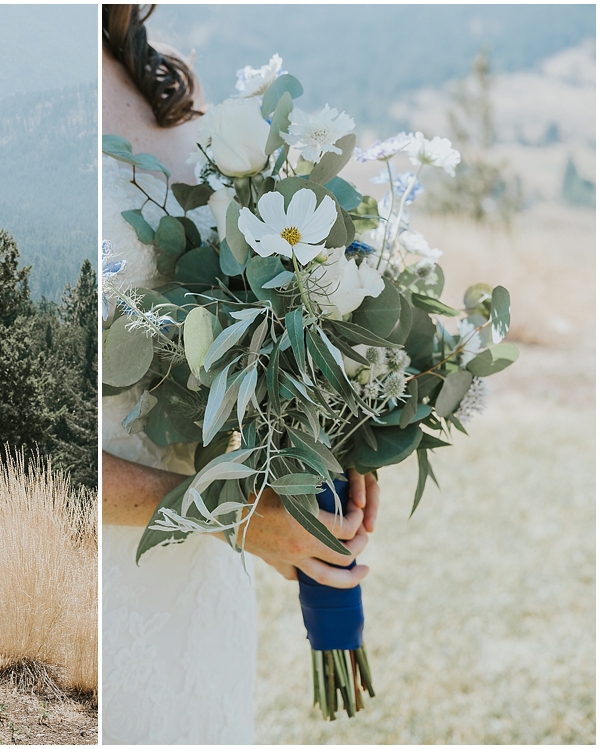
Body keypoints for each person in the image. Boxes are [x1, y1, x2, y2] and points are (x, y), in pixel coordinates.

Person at [101, 5, 380, 743]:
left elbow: (251, 288)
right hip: (111, 570)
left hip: (207, 574)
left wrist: (333, 442)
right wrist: (240, 514)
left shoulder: (161, 78)